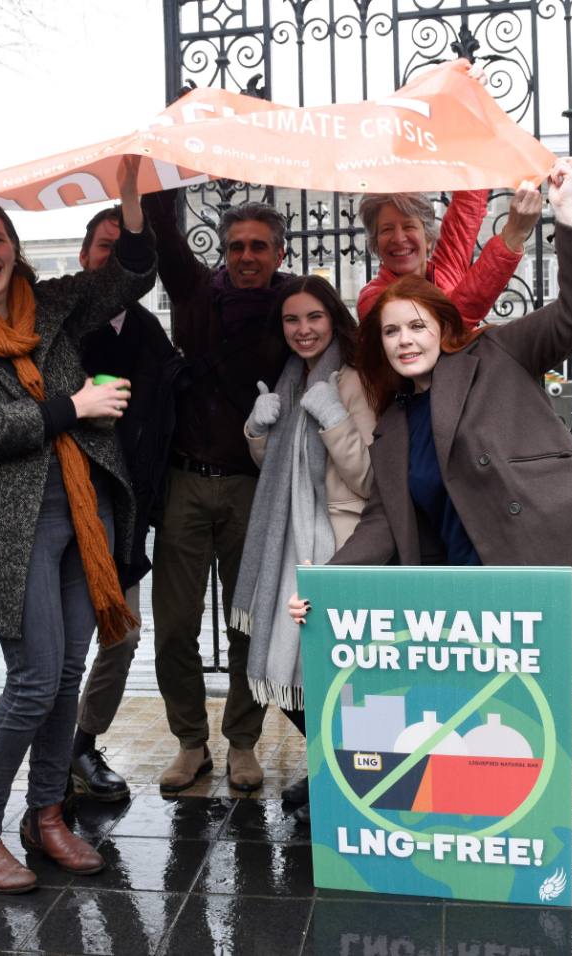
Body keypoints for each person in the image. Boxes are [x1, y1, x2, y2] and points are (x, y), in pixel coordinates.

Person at [289, 157, 572, 682]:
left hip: (552, 580)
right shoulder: (395, 428)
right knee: (496, 742)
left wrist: (564, 213)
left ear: (441, 324)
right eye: (390, 331)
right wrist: (324, 586)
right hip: (476, 610)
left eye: (417, 326)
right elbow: (382, 524)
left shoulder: (498, 354)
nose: (405, 340)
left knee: (526, 734)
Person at [0, 157, 155, 894]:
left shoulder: (51, 304)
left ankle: (47, 815)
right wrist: (72, 407)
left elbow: (129, 277)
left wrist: (131, 206)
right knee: (32, 680)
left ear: (13, 246)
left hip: (85, 511)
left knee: (67, 676)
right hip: (8, 527)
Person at [142, 188, 291, 794]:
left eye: (258, 246)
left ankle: (244, 744)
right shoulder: (197, 293)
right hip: (185, 481)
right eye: (236, 246)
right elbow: (164, 236)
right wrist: (156, 174)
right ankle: (189, 743)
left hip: (252, 487)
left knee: (246, 625)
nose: (246, 256)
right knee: (174, 624)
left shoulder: (292, 302)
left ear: (279, 252)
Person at [232, 274, 376, 821]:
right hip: (286, 541)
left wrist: (333, 414)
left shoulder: (352, 381)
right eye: (292, 319)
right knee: (289, 665)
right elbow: (279, 473)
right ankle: (327, 769)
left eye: (313, 317)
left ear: (333, 319)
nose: (303, 329)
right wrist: (257, 431)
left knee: (325, 672)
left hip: (334, 543)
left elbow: (366, 478)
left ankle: (341, 780)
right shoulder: (291, 381)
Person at [71, 205, 186, 801]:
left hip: (122, 509)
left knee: (124, 635)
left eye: (124, 249)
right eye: (102, 246)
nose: (111, 259)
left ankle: (82, 746)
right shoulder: (53, 321)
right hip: (57, 502)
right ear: (86, 252)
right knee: (58, 644)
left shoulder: (146, 330)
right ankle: (47, 757)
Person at [355, 184, 541, 325]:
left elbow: (468, 206)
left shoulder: (446, 266)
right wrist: (514, 235)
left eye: (408, 226)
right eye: (386, 230)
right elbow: (451, 321)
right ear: (376, 244)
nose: (398, 238)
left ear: (429, 239)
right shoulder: (371, 300)